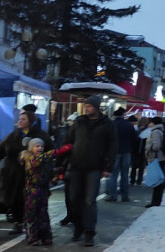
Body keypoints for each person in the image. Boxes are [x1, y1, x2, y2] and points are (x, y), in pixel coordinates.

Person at [0, 109, 53, 235]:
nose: (20, 121)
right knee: (15, 197)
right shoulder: (14, 135)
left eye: (23, 119)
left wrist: (50, 170)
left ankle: (34, 224)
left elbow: (50, 151)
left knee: (32, 200)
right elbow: (1, 149)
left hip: (33, 174)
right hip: (14, 172)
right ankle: (18, 222)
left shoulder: (40, 135)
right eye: (19, 119)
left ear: (30, 121)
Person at [62, 95, 117, 247]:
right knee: (74, 199)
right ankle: (78, 228)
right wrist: (62, 163)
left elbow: (112, 146)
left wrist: (108, 167)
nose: (86, 109)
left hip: (95, 167)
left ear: (96, 107)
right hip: (76, 166)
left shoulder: (106, 124)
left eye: (89, 106)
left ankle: (89, 232)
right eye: (85, 106)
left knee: (89, 201)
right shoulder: (79, 122)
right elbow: (68, 142)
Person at [21, 138, 72, 245]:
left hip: (43, 191)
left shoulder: (45, 161)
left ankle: (46, 236)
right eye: (37, 146)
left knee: (43, 214)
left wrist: (55, 175)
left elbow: (49, 174)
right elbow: (43, 158)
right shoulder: (30, 158)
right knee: (32, 214)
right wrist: (58, 151)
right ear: (31, 148)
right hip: (32, 191)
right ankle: (33, 237)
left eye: (41, 146)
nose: (40, 148)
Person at [105, 107, 136, 202]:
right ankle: (125, 196)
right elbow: (134, 138)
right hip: (126, 152)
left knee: (113, 174)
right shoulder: (129, 125)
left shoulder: (111, 124)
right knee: (125, 174)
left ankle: (113, 196)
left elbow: (107, 139)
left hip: (114, 152)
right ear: (123, 115)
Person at [144, 117, 165, 207]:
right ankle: (156, 201)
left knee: (157, 180)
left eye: (150, 122)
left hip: (157, 158)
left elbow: (156, 146)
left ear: (153, 123)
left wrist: (147, 147)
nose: (149, 124)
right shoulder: (160, 130)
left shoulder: (155, 132)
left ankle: (155, 201)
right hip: (161, 158)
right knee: (158, 179)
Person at [129, 116, 146, 186]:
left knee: (134, 166)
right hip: (142, 150)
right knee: (140, 167)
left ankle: (133, 180)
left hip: (135, 150)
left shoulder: (135, 129)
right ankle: (138, 181)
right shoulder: (147, 130)